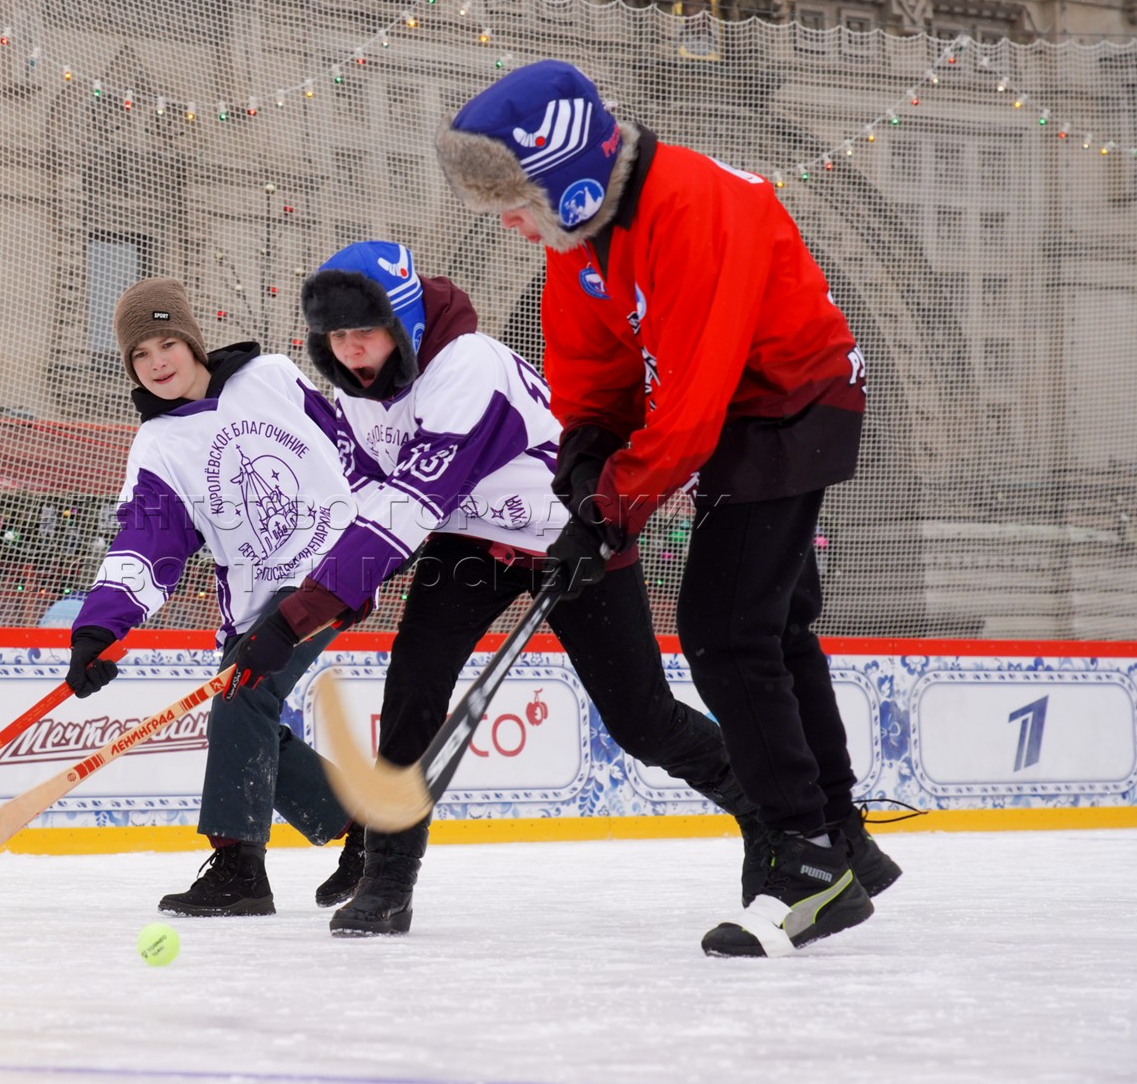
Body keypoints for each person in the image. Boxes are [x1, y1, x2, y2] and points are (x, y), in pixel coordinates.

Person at [433, 59, 899, 957]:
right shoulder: (581, 247)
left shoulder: (690, 207)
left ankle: (806, 860)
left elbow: (687, 413)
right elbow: (594, 383)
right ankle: (841, 837)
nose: (508, 222)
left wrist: (607, 520)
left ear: (565, 180)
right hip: (731, 410)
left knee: (725, 629)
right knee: (774, 629)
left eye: (516, 199)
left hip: (792, 398)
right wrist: (583, 477)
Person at [230, 241, 765, 939]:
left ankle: (775, 817)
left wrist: (294, 617)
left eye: (365, 334)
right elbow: (370, 508)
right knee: (413, 692)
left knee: (643, 722)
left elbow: (407, 509)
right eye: (338, 338)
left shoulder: (467, 369)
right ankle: (387, 881)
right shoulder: (354, 395)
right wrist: (317, 607)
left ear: (404, 324)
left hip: (573, 534)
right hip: (470, 545)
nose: (353, 354)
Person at [64, 278, 366, 917]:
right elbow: (147, 542)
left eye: (168, 343)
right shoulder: (159, 446)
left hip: (332, 568)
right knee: (244, 716)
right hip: (257, 601)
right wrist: (99, 629)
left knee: (242, 697)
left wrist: (388, 525)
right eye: (141, 355)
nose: (158, 363)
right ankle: (368, 831)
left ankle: (238, 869)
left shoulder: (270, 377)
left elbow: (351, 442)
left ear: (194, 342)